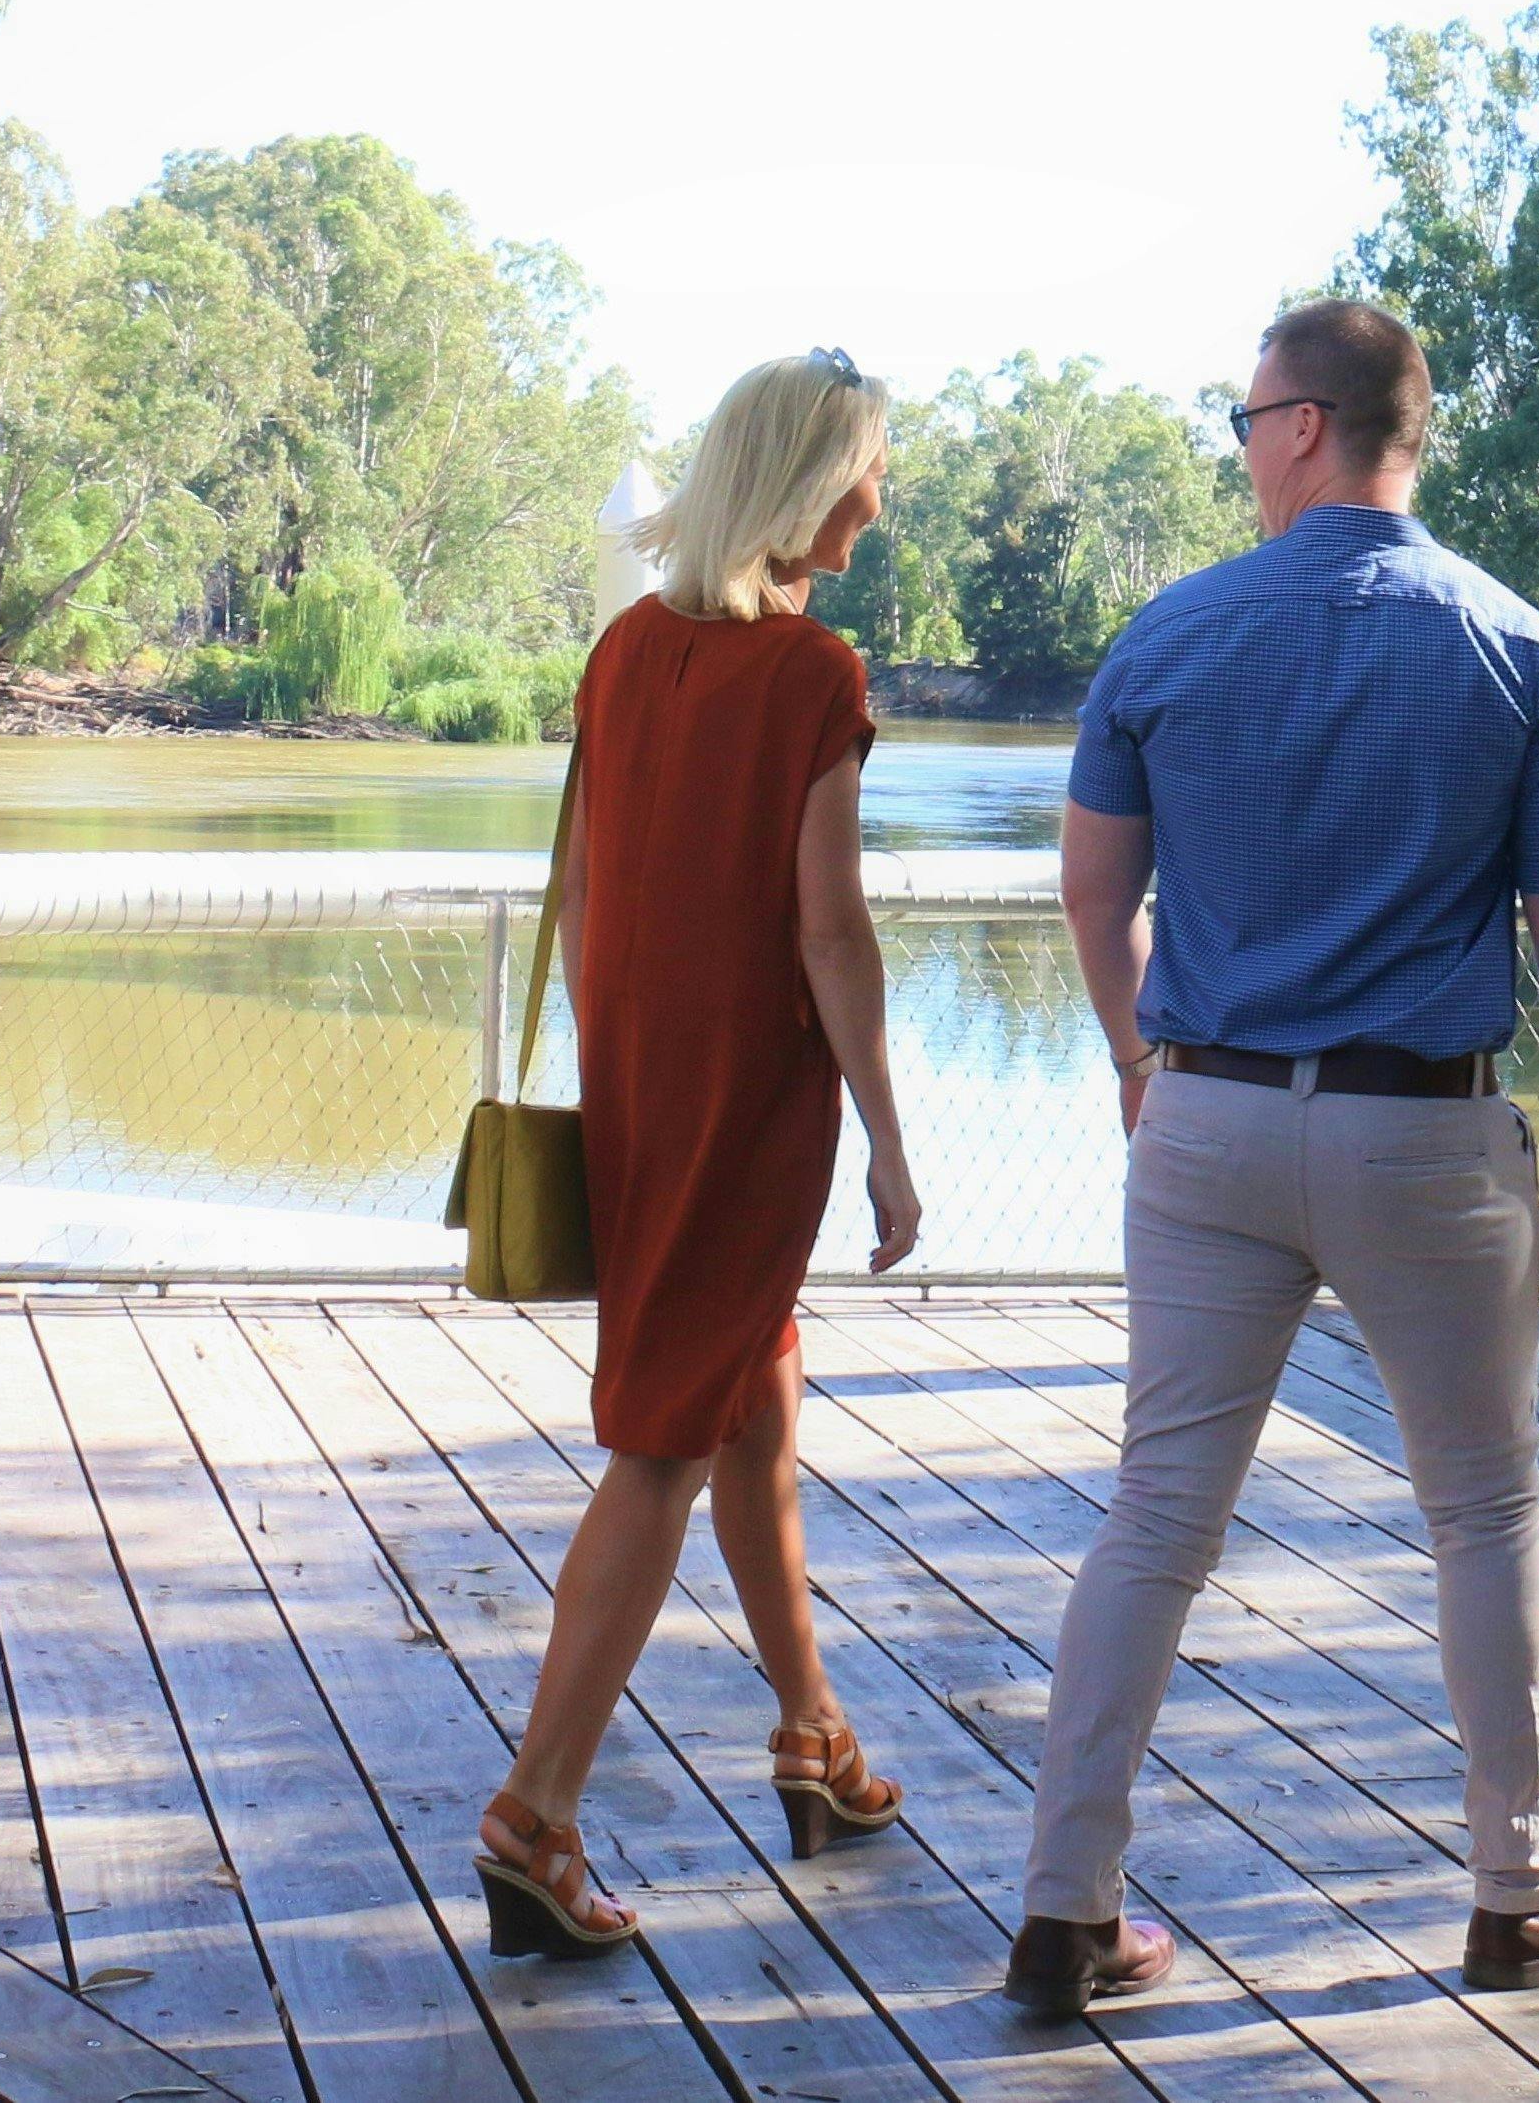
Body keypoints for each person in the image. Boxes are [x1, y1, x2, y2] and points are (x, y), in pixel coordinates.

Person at [1003, 297, 1539, 2016]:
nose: (1235, 454)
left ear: (1306, 425)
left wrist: (1143, 1064)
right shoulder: (1507, 644)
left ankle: (1065, 1908)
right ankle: (1523, 1897)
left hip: (1206, 1118)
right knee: (1481, 1506)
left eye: (1242, 423)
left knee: (1154, 1515)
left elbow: (1092, 891)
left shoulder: (1166, 638)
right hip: (1421, 1132)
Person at [473, 347, 930, 1957]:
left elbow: (585, 905)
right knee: (665, 1440)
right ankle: (535, 1814)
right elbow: (831, 932)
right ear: (810, 485)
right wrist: (884, 1137)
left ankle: (812, 1739)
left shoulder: (619, 652)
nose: (882, 496)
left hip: (647, 1090)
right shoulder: (813, 677)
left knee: (753, 1399)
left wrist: (634, 1080)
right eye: (869, 468)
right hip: (748, 1104)